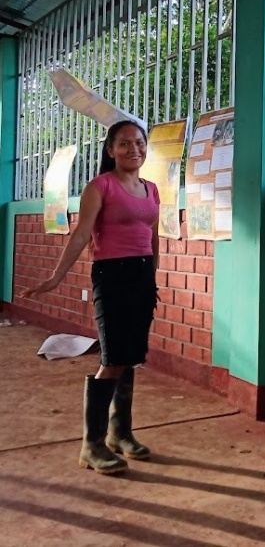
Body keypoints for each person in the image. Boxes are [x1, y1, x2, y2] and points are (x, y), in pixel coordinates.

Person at [21, 120, 160, 475]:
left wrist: (152, 277)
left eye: (139, 142)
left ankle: (120, 434)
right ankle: (92, 445)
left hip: (141, 277)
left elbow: (152, 237)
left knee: (130, 357)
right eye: (125, 144)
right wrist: (56, 277)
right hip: (111, 276)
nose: (134, 149)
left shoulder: (152, 189)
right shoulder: (100, 186)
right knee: (113, 357)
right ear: (110, 150)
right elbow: (82, 233)